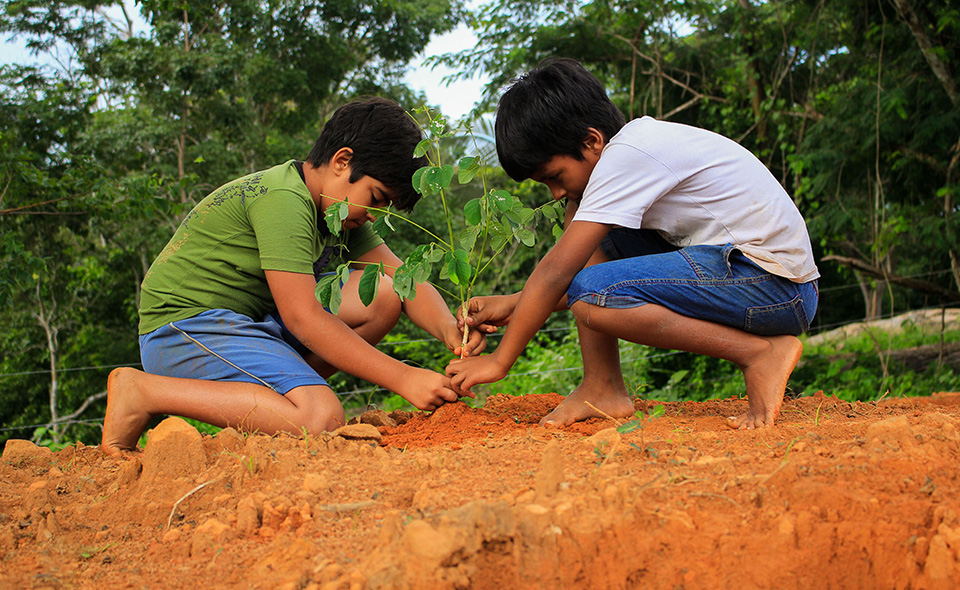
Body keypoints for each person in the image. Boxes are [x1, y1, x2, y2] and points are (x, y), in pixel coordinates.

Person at [446, 58, 819, 430]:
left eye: (554, 176)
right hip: (746, 276)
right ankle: (602, 385)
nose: (555, 191)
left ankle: (761, 354)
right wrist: (514, 304)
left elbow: (559, 272)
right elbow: (574, 271)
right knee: (580, 219)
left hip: (775, 286)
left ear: (592, 140)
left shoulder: (629, 156)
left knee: (590, 289)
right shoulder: (626, 153)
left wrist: (500, 360)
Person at [102, 97, 481, 456]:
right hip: (184, 329)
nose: (377, 214)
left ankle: (283, 403)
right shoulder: (283, 199)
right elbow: (302, 316)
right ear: (342, 161)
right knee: (322, 418)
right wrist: (403, 377)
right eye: (376, 197)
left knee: (381, 296)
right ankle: (143, 391)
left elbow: (404, 280)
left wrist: (448, 327)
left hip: (248, 325)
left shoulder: (340, 212)